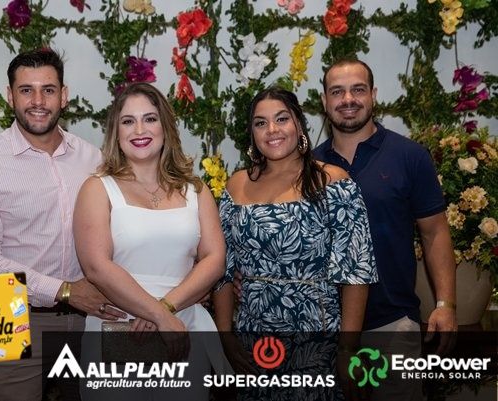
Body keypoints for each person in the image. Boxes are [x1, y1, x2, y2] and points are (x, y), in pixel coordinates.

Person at [0, 48, 125, 401]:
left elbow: (119, 233)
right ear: (10, 96)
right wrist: (65, 290)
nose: (37, 101)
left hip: (91, 320)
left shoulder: (93, 159)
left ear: (63, 95)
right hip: (12, 318)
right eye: (26, 90)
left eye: (48, 90)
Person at [213, 86, 378, 400]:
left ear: (299, 124)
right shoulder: (237, 185)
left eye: (281, 119)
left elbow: (356, 272)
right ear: (252, 133)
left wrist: (347, 348)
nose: (272, 130)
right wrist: (225, 335)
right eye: (260, 123)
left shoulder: (334, 182)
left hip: (317, 337)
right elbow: (221, 267)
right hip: (253, 337)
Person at [73, 82, 229, 401]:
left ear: (165, 127)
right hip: (120, 328)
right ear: (116, 132)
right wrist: (158, 315)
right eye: (128, 121)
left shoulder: (195, 189)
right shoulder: (97, 188)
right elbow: (96, 266)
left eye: (150, 119)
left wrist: (166, 309)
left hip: (183, 325)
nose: (140, 130)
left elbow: (215, 258)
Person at [313, 59, 457, 399]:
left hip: (394, 324)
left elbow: (435, 232)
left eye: (358, 89)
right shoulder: (307, 167)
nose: (348, 99)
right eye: (337, 91)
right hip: (324, 328)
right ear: (324, 101)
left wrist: (446, 304)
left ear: (374, 95)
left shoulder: (410, 156)